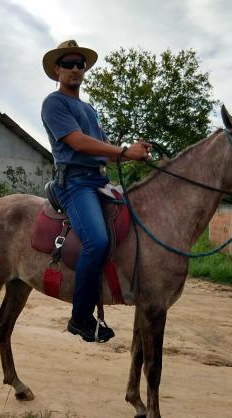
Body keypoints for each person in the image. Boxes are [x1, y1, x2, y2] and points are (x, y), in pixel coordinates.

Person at [41, 40, 151, 343]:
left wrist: (135, 152)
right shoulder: (55, 103)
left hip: (97, 180)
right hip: (73, 183)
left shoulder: (88, 109)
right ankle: (80, 317)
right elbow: (77, 143)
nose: (75, 68)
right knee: (97, 239)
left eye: (80, 64)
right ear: (57, 70)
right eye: (68, 64)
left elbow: (106, 151)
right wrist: (125, 150)